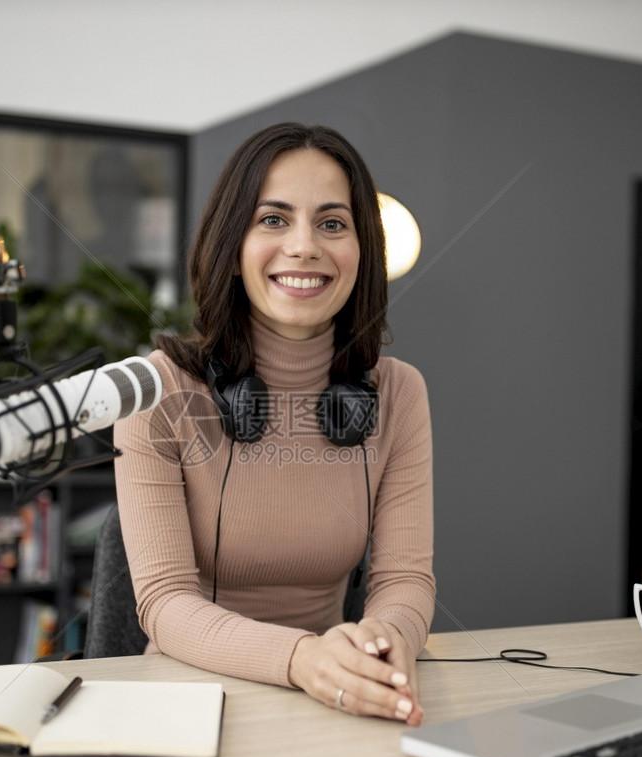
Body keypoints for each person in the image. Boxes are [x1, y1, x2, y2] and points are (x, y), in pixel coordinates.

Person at [113, 122, 434, 725]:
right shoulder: (157, 391)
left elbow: (406, 578)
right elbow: (164, 603)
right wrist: (302, 659)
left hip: (335, 698)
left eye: (333, 223)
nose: (305, 246)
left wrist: (383, 645)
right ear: (232, 247)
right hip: (192, 702)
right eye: (273, 219)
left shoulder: (399, 393)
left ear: (363, 253)